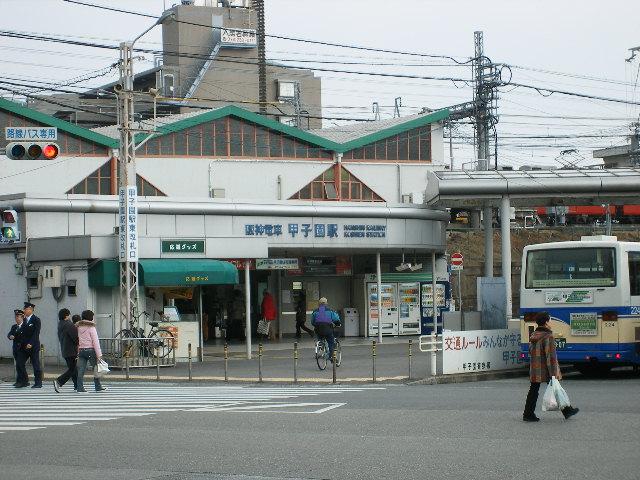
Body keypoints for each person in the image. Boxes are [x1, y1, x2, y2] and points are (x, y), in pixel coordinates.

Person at [523, 311, 579, 422]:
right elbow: (551, 356)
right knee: (557, 389)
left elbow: (530, 351)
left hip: (535, 368)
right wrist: (554, 373)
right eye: (550, 320)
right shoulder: (548, 336)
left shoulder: (534, 335)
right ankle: (567, 410)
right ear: (546, 322)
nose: (551, 322)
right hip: (546, 369)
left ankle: (528, 413)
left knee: (533, 390)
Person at [76, 310, 107, 393]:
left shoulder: (79, 327)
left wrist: (78, 351)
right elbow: (95, 341)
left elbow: (78, 340)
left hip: (82, 350)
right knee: (95, 368)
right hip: (90, 350)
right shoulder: (91, 328)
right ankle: (98, 386)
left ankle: (80, 387)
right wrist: (99, 354)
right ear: (90, 317)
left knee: (81, 369)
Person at [53, 308, 78, 393]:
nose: (70, 316)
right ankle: (59, 381)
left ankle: (77, 386)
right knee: (72, 369)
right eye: (69, 314)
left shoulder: (60, 324)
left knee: (74, 369)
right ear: (66, 315)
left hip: (65, 349)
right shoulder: (69, 324)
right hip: (71, 350)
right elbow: (75, 337)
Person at [21, 302, 42, 389]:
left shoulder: (36, 319)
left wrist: (31, 343)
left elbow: (36, 333)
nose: (24, 310)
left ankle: (38, 383)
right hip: (24, 346)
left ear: (31, 310)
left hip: (33, 346)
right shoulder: (23, 320)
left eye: (26, 309)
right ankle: (24, 381)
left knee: (36, 364)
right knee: (20, 363)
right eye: (24, 309)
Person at [7, 309, 29, 388]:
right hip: (16, 349)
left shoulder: (26, 326)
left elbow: (27, 337)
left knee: (20, 365)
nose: (17, 319)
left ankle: (22, 381)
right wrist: (10, 336)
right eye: (16, 317)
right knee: (19, 365)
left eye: (18, 317)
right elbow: (9, 334)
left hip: (23, 349)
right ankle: (24, 381)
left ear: (22, 317)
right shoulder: (14, 327)